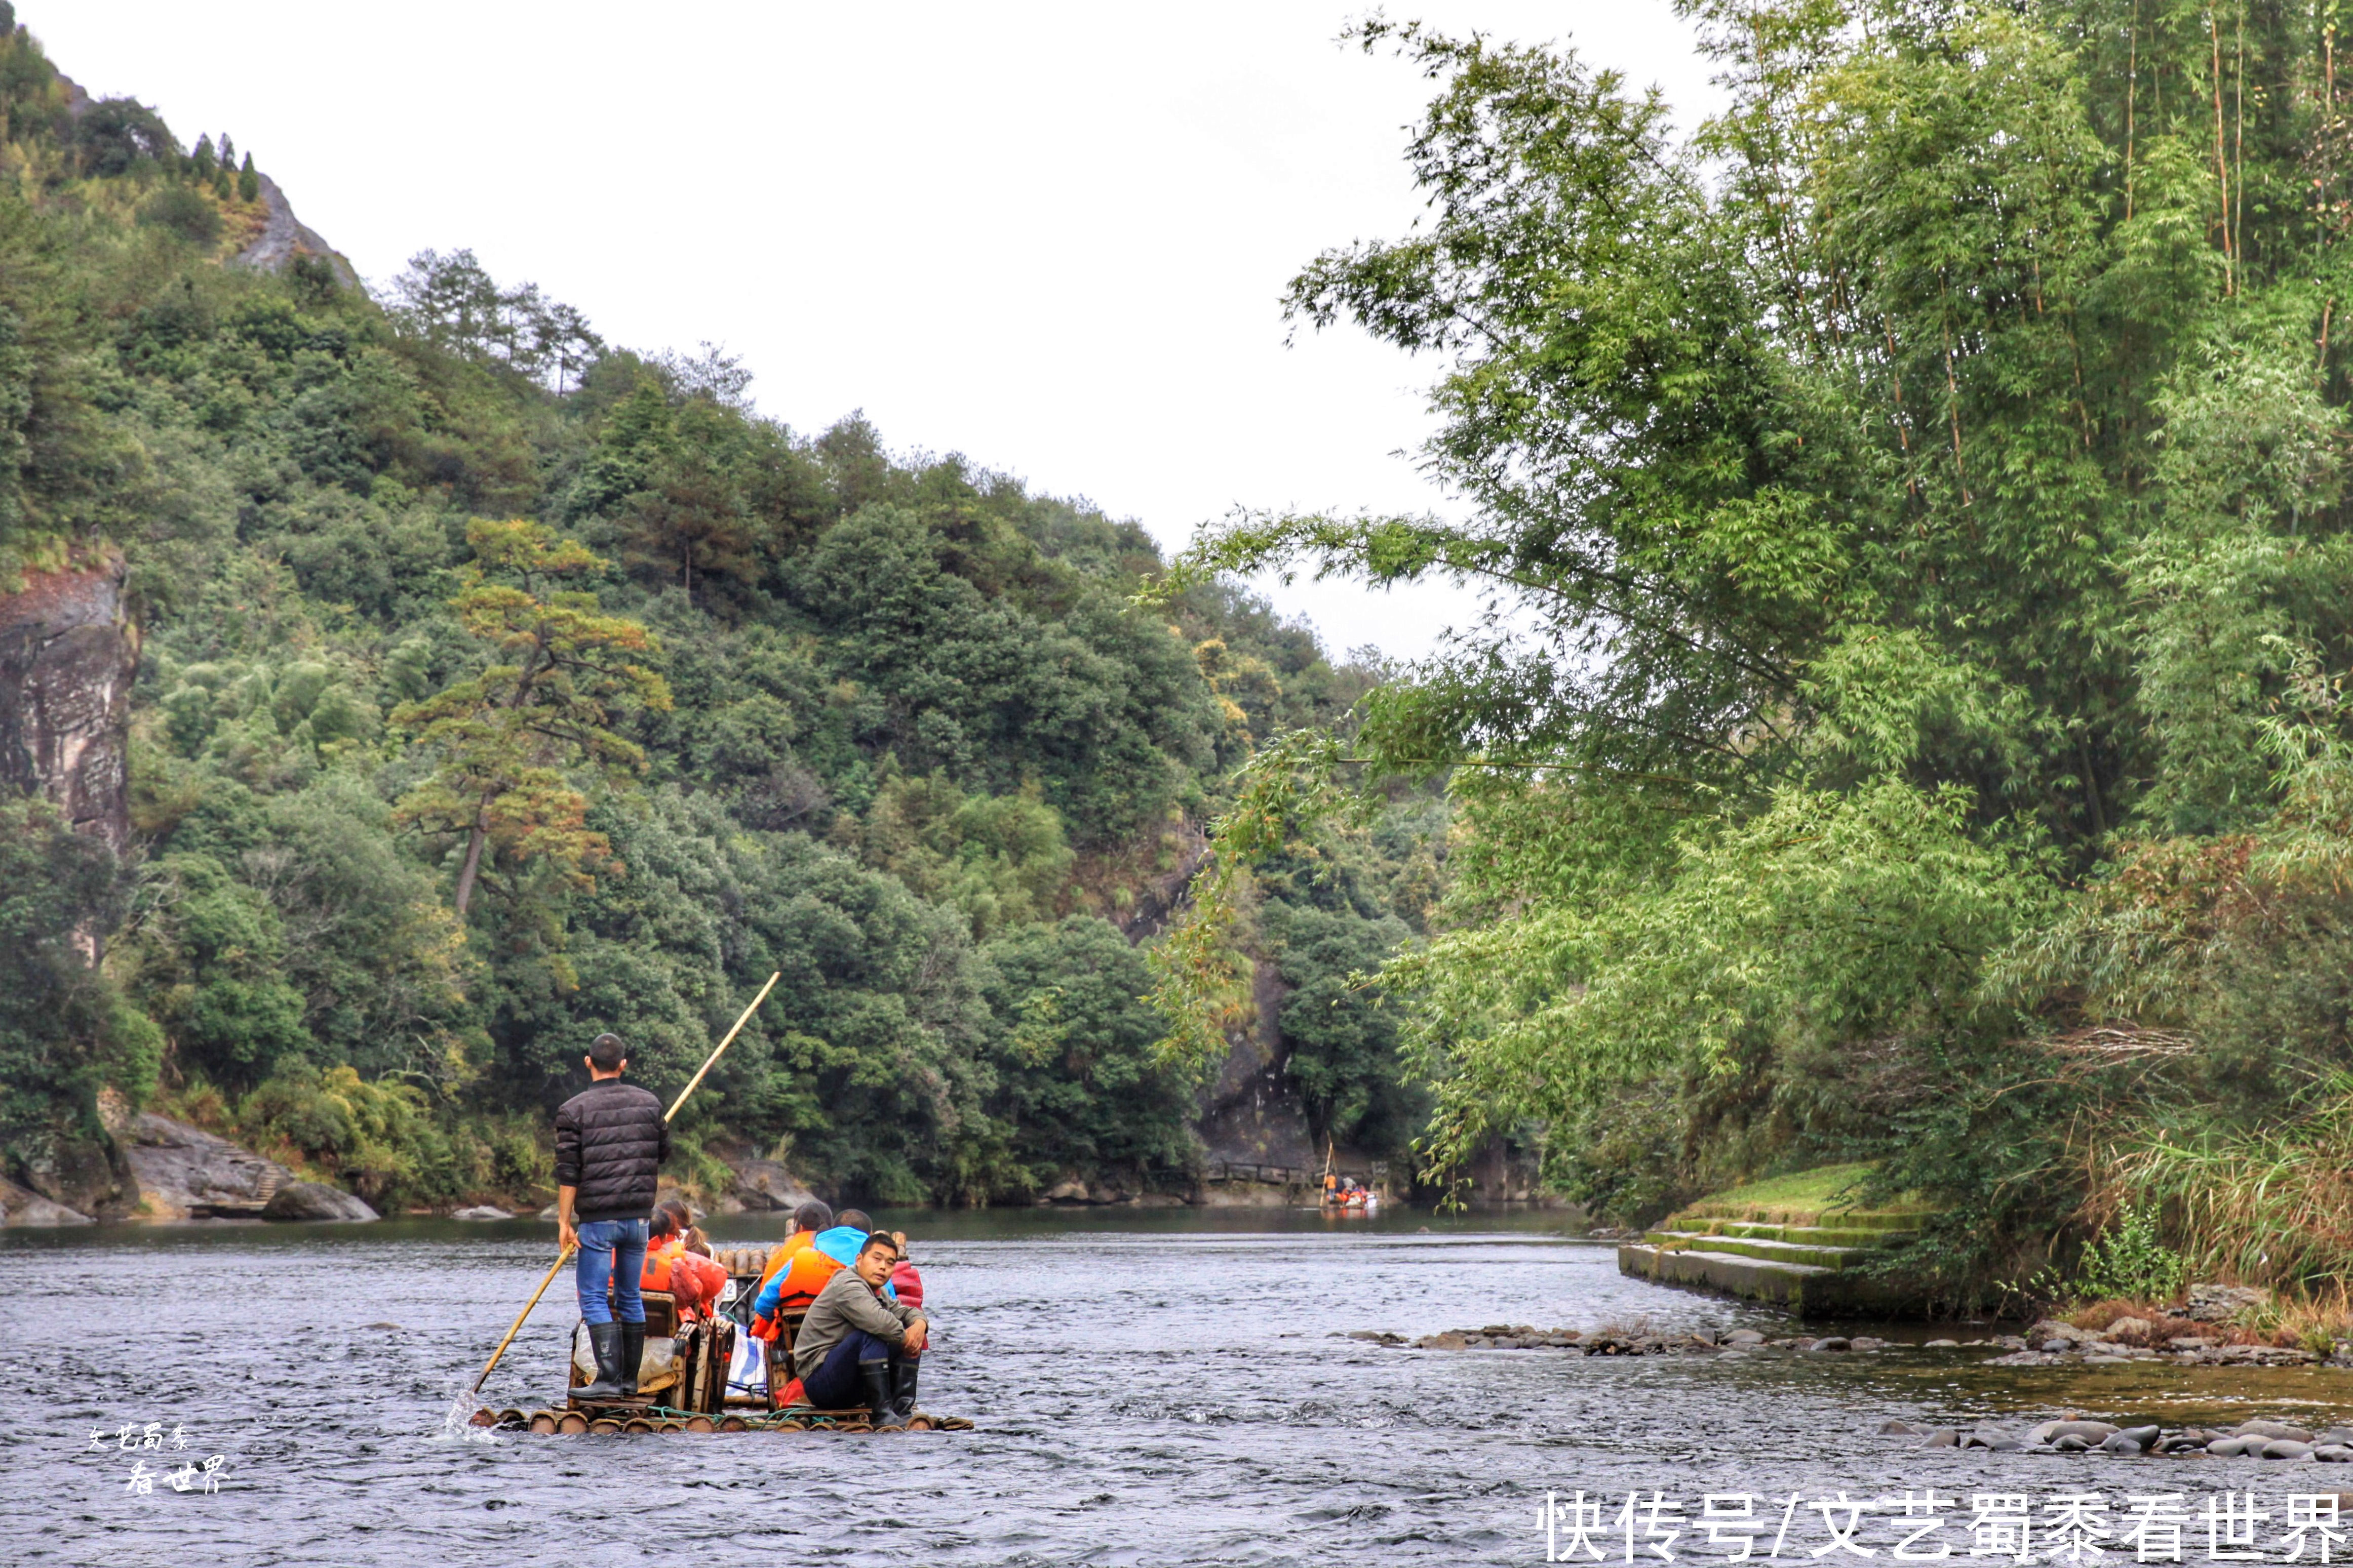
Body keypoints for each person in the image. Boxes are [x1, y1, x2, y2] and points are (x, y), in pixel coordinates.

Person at [555, 1031, 670, 1401]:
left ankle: (607, 1376)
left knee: (592, 1296)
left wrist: (563, 1222)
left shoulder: (573, 1110)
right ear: (623, 1065)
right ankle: (628, 1381)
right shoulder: (650, 1104)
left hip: (599, 1221)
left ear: (588, 1062)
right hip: (639, 1220)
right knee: (630, 1295)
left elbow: (568, 1172)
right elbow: (662, 1153)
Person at [794, 1231, 928, 1428]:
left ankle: (902, 1411)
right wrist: (909, 1338)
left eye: (890, 1263)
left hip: (851, 1380)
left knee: (912, 1332)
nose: (883, 1266)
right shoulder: (847, 1285)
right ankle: (881, 1414)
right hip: (821, 1382)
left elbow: (906, 1311)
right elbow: (881, 1323)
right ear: (859, 1259)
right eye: (877, 1259)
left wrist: (920, 1326)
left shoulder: (877, 1290)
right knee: (875, 1334)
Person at [643, 1203, 727, 1322]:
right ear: (665, 1236)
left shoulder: (621, 1258)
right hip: (670, 1325)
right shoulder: (675, 1265)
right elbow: (696, 1293)